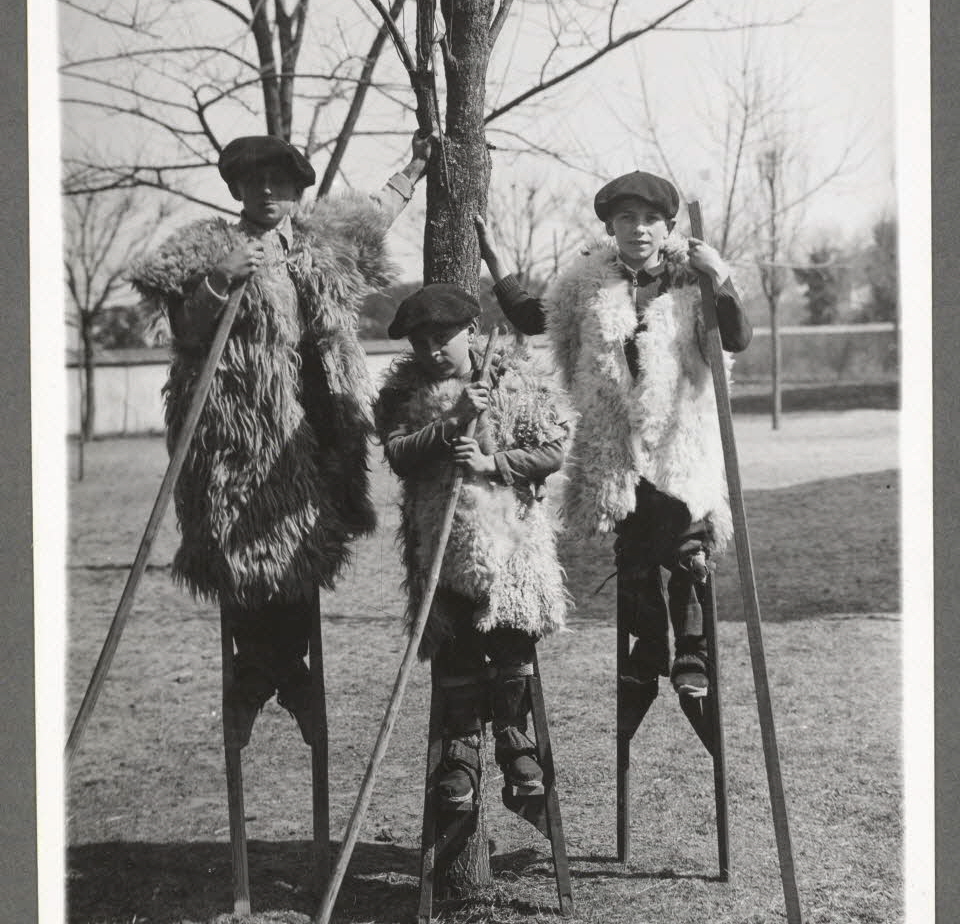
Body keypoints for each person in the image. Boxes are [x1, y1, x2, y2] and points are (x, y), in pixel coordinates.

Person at [130, 131, 431, 747]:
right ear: (237, 189)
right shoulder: (210, 247)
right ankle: (273, 679)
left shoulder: (322, 242)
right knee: (242, 554)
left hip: (317, 424)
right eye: (254, 181)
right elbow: (185, 334)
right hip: (241, 436)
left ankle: (272, 675)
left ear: (298, 189)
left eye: (280, 181)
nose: (268, 191)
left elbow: (374, 214)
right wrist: (218, 282)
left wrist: (416, 168)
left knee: (303, 552)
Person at [476, 170, 752, 719]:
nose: (639, 229)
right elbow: (537, 317)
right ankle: (647, 653)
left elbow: (736, 337)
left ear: (668, 226)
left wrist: (719, 276)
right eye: (627, 218)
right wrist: (494, 261)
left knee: (689, 552)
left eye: (650, 219)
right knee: (635, 558)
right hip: (617, 445)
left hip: (679, 439)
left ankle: (692, 659)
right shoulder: (586, 281)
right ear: (610, 225)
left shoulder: (689, 278)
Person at [374, 283, 571, 808]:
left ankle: (515, 742)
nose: (432, 351)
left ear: (473, 332)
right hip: (441, 546)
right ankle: (461, 754)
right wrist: (451, 420)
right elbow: (399, 454)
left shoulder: (516, 380)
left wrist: (494, 465)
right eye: (421, 342)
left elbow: (553, 450)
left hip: (512, 552)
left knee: (511, 645)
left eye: (443, 338)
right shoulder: (402, 394)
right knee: (456, 650)